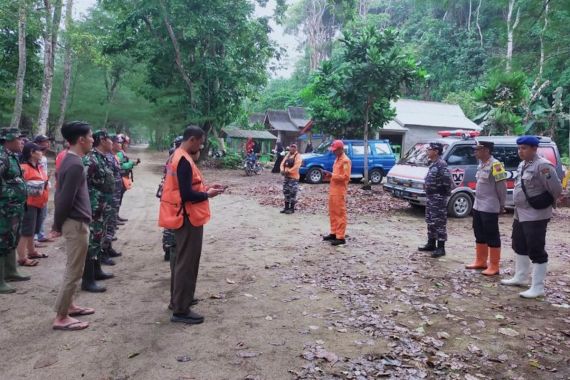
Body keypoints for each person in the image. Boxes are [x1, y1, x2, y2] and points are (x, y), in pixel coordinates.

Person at [159, 125, 225, 325]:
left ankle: (179, 299)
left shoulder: (178, 156)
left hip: (181, 214)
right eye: (201, 141)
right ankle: (181, 309)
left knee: (180, 260)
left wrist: (206, 187)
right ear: (193, 140)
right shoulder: (184, 160)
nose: (202, 145)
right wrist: (207, 194)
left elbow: (186, 187)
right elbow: (187, 194)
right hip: (187, 216)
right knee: (187, 263)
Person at [501, 136, 562, 298]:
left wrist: (546, 203)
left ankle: (538, 287)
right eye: (519, 148)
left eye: (524, 148)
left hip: (536, 214)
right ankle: (520, 277)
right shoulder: (523, 164)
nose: (520, 151)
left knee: (536, 248)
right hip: (520, 213)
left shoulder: (543, 166)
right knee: (519, 243)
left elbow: (555, 188)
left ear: (534, 149)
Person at [50, 121, 95, 331]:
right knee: (73, 270)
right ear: (81, 139)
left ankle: (69, 305)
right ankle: (61, 316)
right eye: (91, 136)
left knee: (76, 267)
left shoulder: (70, 160)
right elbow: (63, 199)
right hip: (75, 223)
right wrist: (57, 225)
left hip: (77, 221)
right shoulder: (75, 164)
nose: (93, 140)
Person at [465, 141, 507, 276]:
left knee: (492, 235)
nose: (475, 152)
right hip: (478, 204)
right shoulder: (481, 164)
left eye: (478, 150)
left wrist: (502, 204)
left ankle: (494, 265)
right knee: (479, 233)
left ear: (486, 150)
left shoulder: (496, 165)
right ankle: (480, 261)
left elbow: (502, 187)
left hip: (490, 205)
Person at [82, 130, 115, 293]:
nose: (112, 142)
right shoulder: (91, 159)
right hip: (94, 207)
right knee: (92, 240)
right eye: (110, 139)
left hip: (102, 205)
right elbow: (83, 185)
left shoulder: (101, 157)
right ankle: (87, 280)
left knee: (99, 237)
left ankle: (96, 271)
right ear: (102, 140)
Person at [0, 127, 30, 294]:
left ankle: (11, 271)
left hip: (13, 207)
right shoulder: (2, 156)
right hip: (4, 208)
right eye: (18, 139)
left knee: (11, 238)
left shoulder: (10, 156)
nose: (22, 142)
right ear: (8, 139)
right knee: (2, 240)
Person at [16, 143, 50, 267]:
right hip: (29, 203)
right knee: (26, 231)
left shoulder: (39, 167)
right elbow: (20, 186)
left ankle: (32, 251)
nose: (42, 152)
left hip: (39, 203)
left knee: (33, 229)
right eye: (39, 150)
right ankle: (22, 257)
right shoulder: (24, 167)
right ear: (32, 152)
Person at [418, 142, 453, 258]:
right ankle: (431, 243)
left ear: (436, 151)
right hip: (431, 197)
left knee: (439, 222)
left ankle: (441, 247)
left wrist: (442, 194)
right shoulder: (433, 164)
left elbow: (448, 181)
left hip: (438, 197)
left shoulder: (441, 165)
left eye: (430, 149)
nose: (428, 151)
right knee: (430, 220)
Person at [322, 140, 351, 246]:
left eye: (335, 150)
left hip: (339, 191)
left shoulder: (345, 161)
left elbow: (345, 177)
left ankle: (340, 237)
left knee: (340, 214)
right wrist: (329, 176)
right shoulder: (337, 159)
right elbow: (336, 175)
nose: (333, 152)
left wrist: (332, 175)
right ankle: (334, 233)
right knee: (333, 213)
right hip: (333, 190)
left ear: (340, 149)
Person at [160, 136, 183, 262]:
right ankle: (171, 249)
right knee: (173, 225)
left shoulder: (171, 157)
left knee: (168, 224)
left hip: (167, 194)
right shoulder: (178, 158)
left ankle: (167, 249)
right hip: (173, 196)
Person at [33, 134, 53, 243]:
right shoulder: (35, 157)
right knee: (36, 212)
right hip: (37, 187)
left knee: (43, 212)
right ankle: (35, 237)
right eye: (45, 141)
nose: (48, 143)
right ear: (39, 143)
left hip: (45, 187)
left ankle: (40, 234)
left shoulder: (44, 158)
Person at [280, 143, 302, 214]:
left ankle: (291, 209)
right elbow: (282, 163)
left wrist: (289, 171)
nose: (292, 148)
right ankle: (286, 208)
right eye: (291, 147)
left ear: (296, 148)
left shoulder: (298, 156)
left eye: (294, 147)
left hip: (293, 178)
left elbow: (296, 166)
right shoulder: (288, 155)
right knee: (286, 192)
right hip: (286, 177)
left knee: (292, 193)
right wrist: (282, 170)